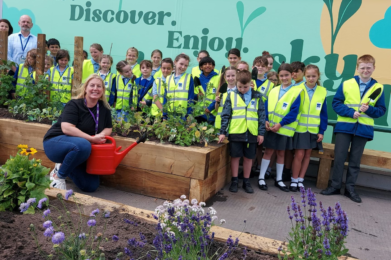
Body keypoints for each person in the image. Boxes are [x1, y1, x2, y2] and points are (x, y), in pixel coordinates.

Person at [321, 55, 386, 203]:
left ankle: (350, 188)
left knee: (355, 161)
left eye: (368, 67)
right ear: (357, 68)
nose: (365, 70)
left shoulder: (379, 88)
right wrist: (350, 113)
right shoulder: (346, 84)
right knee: (339, 158)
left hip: (363, 130)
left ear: (374, 68)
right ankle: (335, 186)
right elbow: (336, 103)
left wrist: (369, 110)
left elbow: (381, 110)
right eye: (362, 67)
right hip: (345, 127)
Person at [43, 74, 112, 192]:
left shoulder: (104, 108)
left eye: (99, 86)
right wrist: (91, 139)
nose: (95, 88)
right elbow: (67, 128)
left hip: (80, 148)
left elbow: (108, 128)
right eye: (92, 85)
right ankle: (58, 177)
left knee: (90, 186)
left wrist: (100, 135)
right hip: (57, 142)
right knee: (83, 145)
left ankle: (63, 166)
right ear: (85, 88)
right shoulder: (74, 104)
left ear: (102, 90)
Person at [218, 70, 265, 194]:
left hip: (251, 132)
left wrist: (261, 133)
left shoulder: (258, 96)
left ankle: (246, 181)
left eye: (245, 87)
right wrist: (222, 131)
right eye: (240, 86)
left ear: (251, 83)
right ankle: (234, 180)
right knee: (235, 157)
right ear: (236, 83)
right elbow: (226, 114)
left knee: (249, 158)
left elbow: (261, 116)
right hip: (236, 131)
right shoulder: (231, 95)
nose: (242, 89)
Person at [258, 63, 302, 192]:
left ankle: (279, 179)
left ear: (292, 75)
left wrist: (280, 124)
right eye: (281, 75)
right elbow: (266, 107)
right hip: (271, 128)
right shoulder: (274, 89)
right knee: (268, 152)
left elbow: (294, 112)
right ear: (278, 76)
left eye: (287, 75)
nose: (284, 78)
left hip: (283, 128)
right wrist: (266, 120)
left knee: (281, 153)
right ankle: (261, 177)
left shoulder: (297, 91)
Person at [291, 65, 328, 191]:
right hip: (300, 128)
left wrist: (321, 131)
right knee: (299, 154)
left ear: (318, 76)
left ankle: (301, 179)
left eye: (314, 76)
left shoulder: (322, 91)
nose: (311, 78)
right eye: (308, 76)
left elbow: (323, 113)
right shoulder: (297, 88)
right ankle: (294, 179)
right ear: (304, 76)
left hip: (313, 129)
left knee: (308, 154)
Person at [282, 61, 306, 181]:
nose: (294, 74)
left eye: (297, 71)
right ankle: (285, 172)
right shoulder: (289, 86)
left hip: (301, 125)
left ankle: (294, 176)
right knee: (287, 150)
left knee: (298, 153)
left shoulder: (305, 87)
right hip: (288, 124)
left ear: (303, 72)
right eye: (293, 72)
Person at [195, 56, 220, 123]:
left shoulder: (218, 78)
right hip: (199, 114)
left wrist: (210, 108)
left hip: (212, 113)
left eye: (210, 64)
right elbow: (194, 95)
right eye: (205, 64)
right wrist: (197, 95)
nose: (207, 65)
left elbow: (220, 95)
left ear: (213, 66)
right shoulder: (198, 79)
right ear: (201, 67)